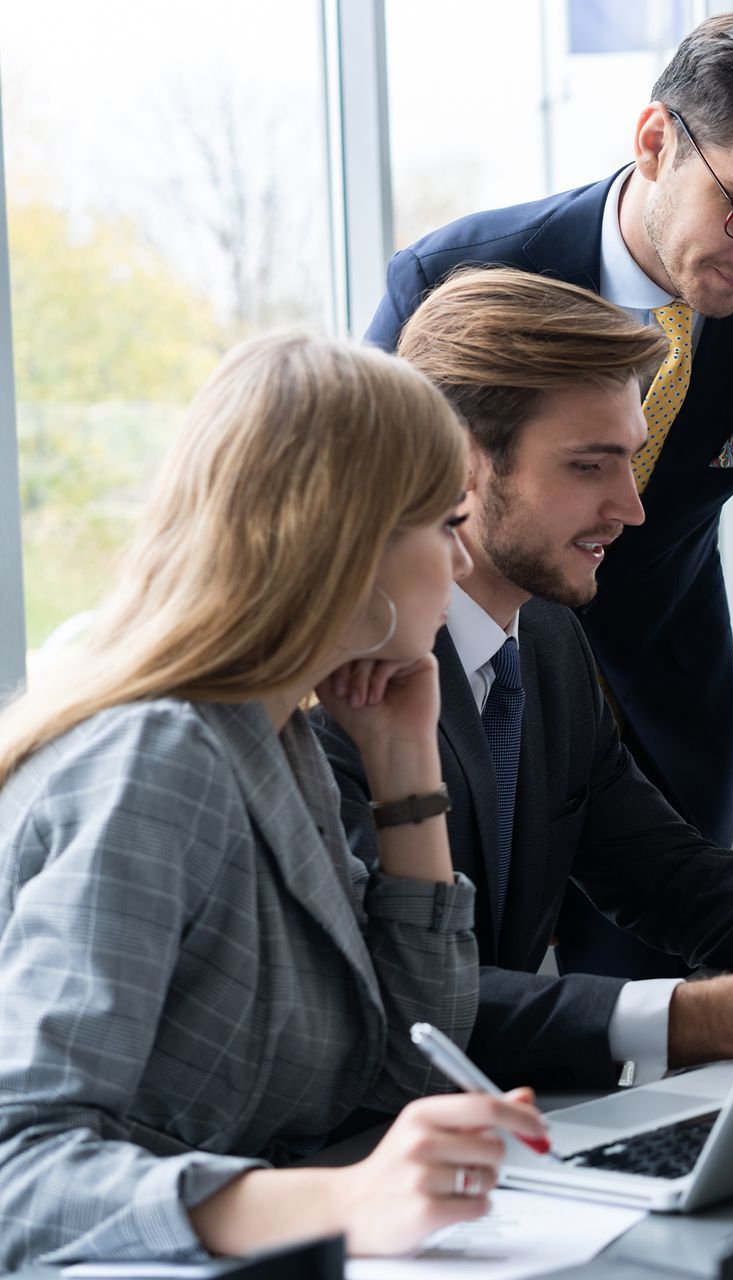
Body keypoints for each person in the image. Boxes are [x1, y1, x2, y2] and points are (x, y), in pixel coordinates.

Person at [0, 334, 548, 1268]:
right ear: (347, 549)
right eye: (446, 524)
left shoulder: (280, 735)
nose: (460, 565)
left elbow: (407, 1071)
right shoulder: (156, 759)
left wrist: (405, 764)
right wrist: (336, 1200)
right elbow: (19, 1173)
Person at [366, 12, 733, 980]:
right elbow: (362, 523)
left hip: (657, 702)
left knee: (667, 960)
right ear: (656, 142)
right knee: (452, 975)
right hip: (440, 700)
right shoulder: (458, 283)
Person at [321, 267, 733, 1091]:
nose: (633, 505)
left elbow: (670, 877)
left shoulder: (546, 639)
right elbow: (382, 996)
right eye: (590, 467)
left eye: (630, 462)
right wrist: (697, 1018)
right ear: (461, 464)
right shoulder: (340, 681)